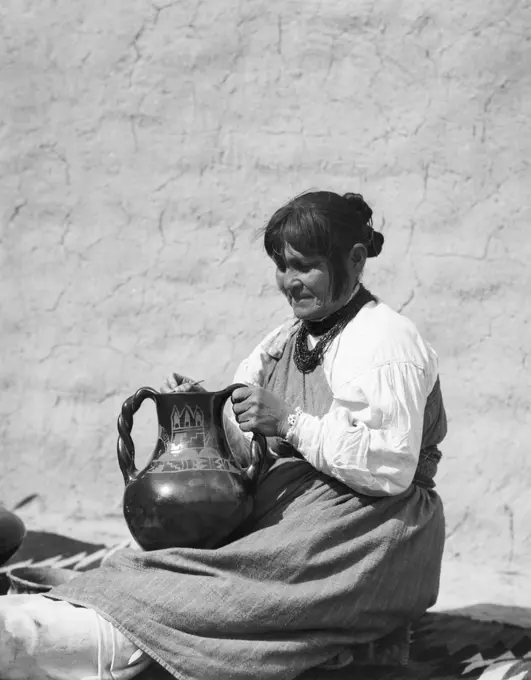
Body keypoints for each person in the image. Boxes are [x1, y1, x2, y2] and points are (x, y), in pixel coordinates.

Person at [0, 190, 447, 680]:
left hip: (369, 532)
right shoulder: (286, 340)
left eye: (305, 267)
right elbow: (245, 440)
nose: (289, 282)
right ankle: (62, 631)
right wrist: (206, 415)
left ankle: (54, 645)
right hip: (296, 510)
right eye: (281, 266)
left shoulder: (385, 341)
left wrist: (291, 422)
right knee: (180, 569)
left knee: (216, 591)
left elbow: (388, 469)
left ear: (356, 260)